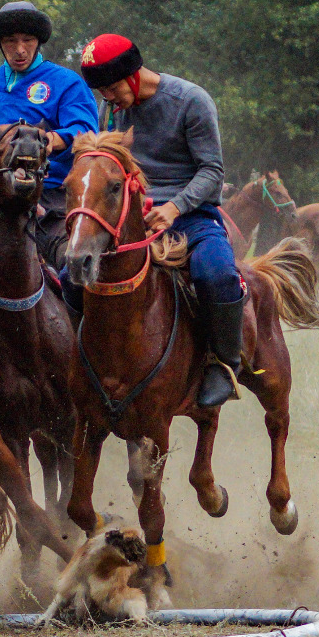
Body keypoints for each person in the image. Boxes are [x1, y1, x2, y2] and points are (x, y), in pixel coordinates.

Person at [81, 33, 239, 407]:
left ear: (135, 73)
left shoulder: (191, 100)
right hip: (131, 220)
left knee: (216, 273)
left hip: (190, 216)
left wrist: (175, 207)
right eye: (102, 91)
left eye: (113, 87)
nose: (109, 98)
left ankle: (223, 363)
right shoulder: (113, 109)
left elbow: (212, 171)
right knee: (73, 274)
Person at [0, 1, 100, 271]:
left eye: (28, 40)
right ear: (0, 43)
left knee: (72, 268)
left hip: (50, 193)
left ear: (38, 42)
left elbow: (84, 129)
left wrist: (50, 141)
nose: (20, 49)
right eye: (11, 41)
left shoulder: (66, 82)